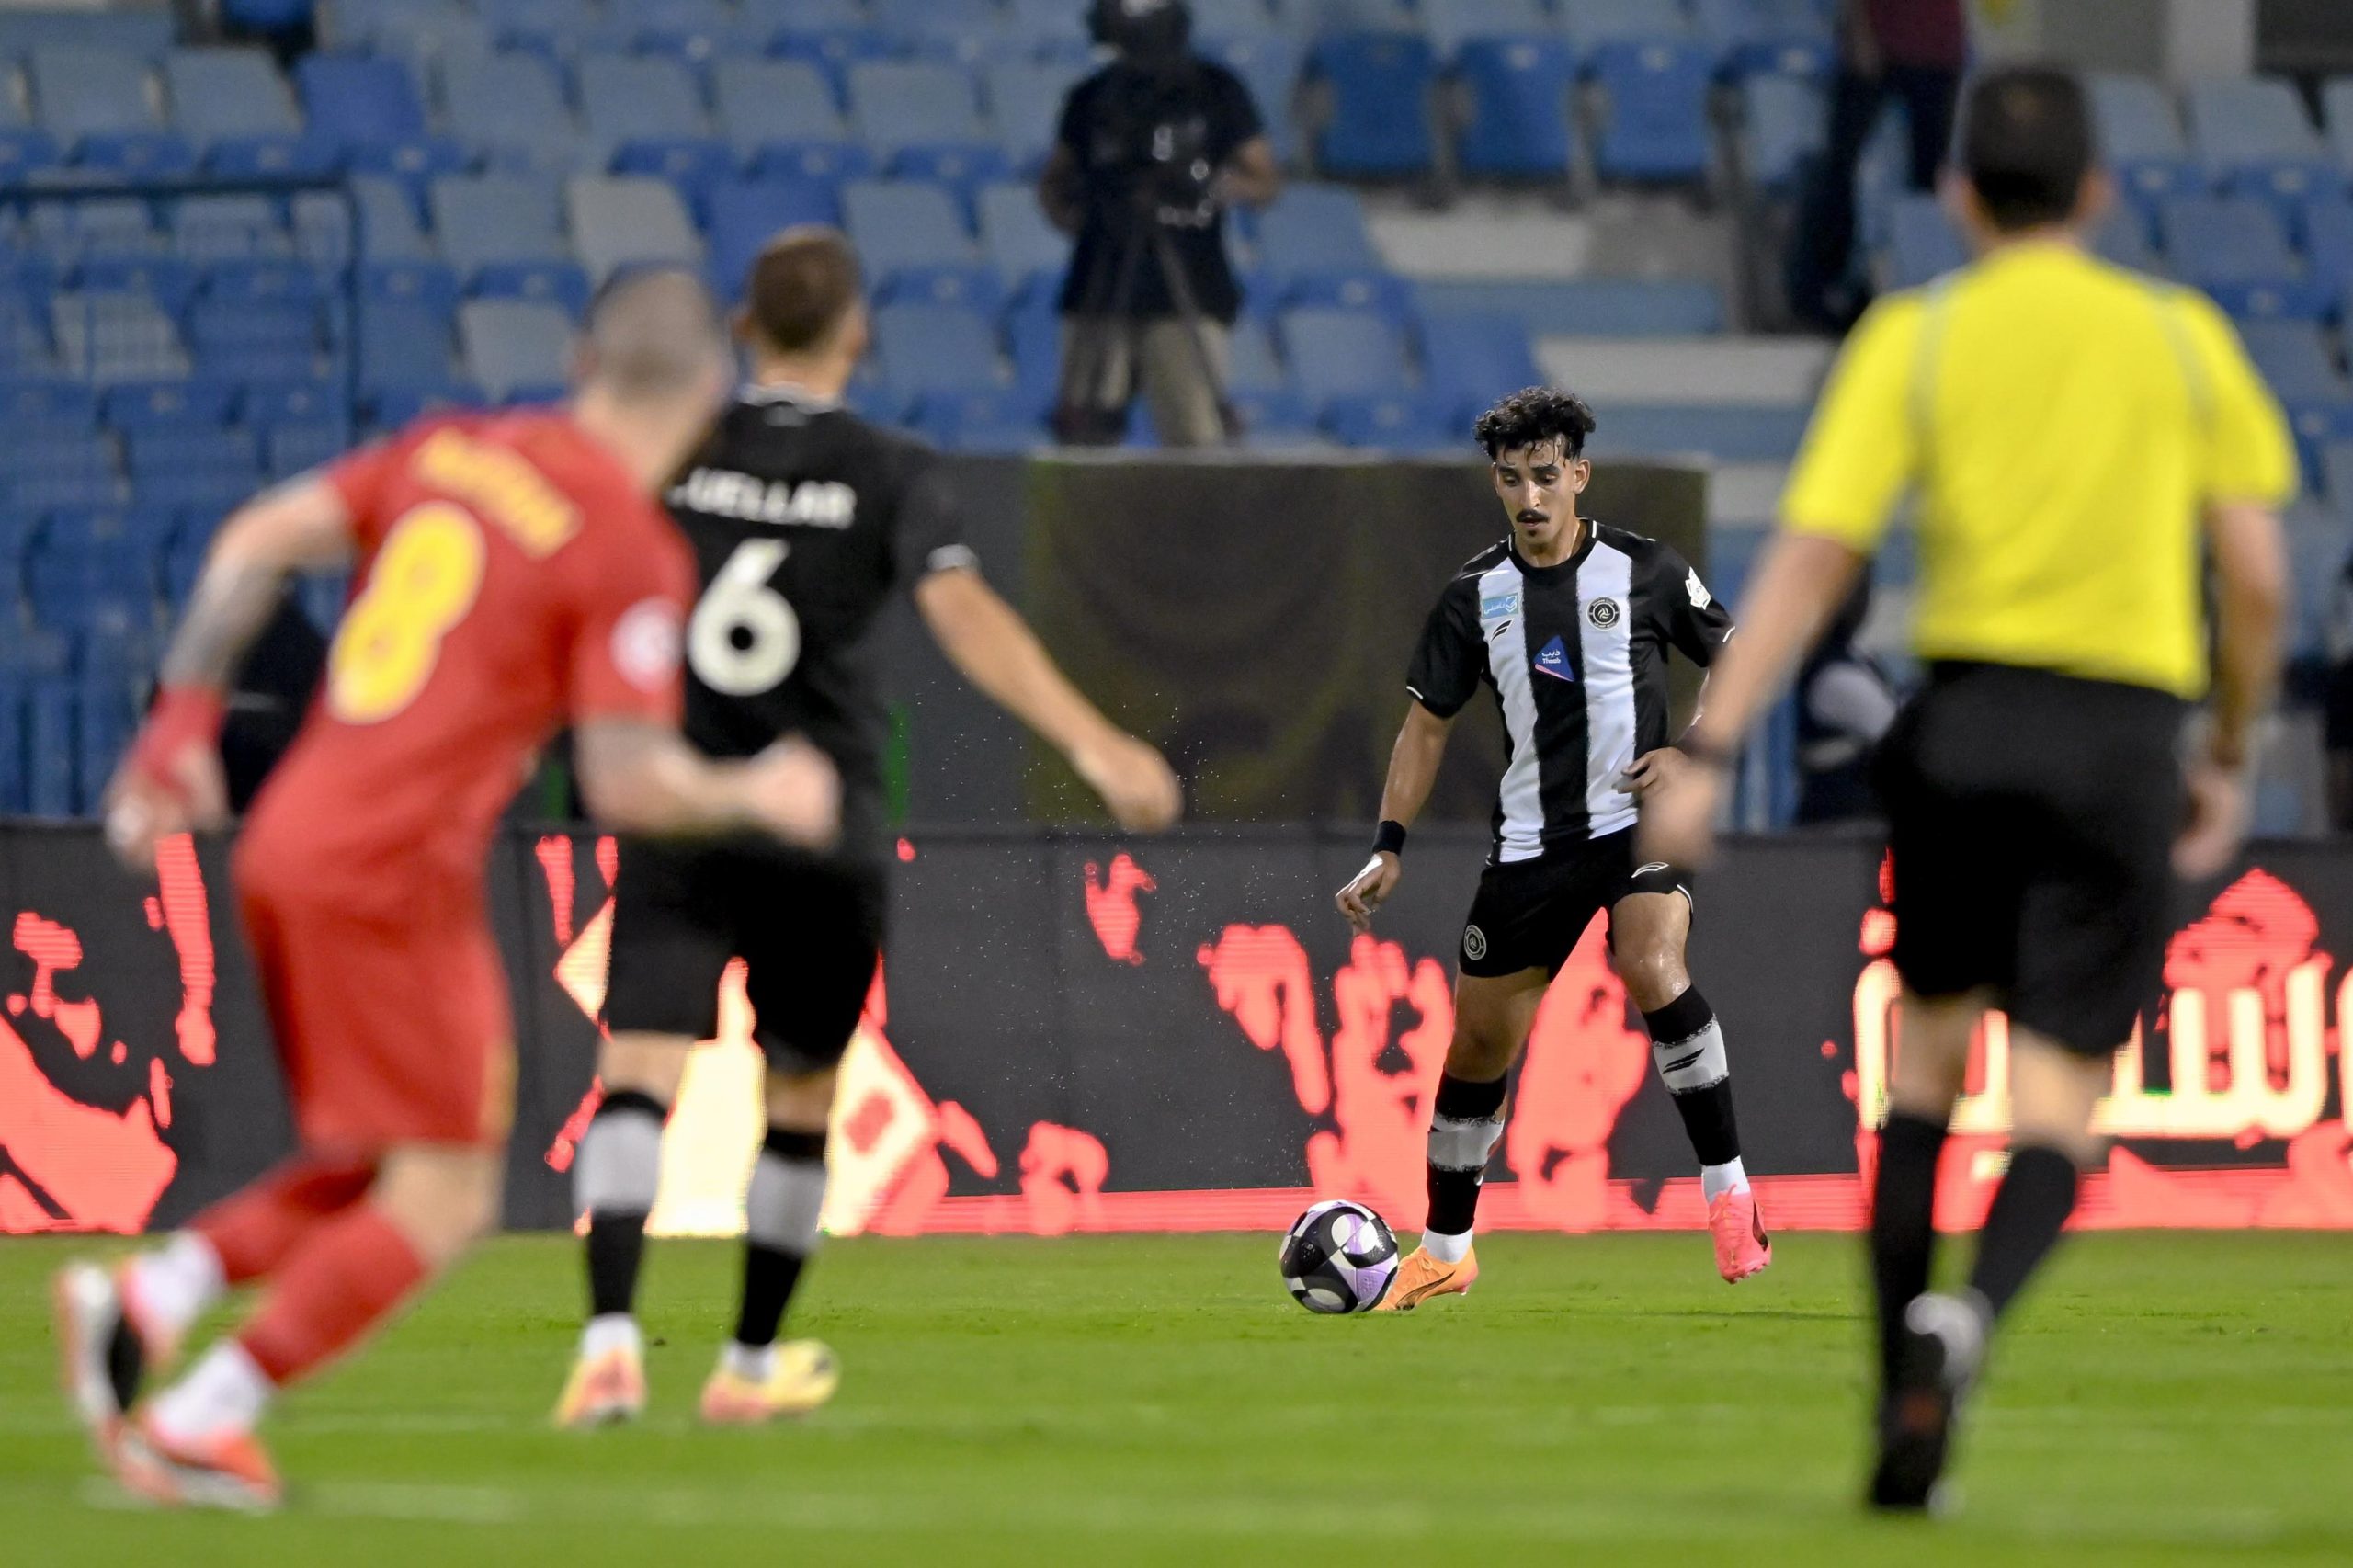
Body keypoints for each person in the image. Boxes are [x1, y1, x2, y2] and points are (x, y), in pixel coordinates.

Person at [52, 268, 846, 1512]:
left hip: (291, 836)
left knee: (380, 1156)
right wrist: (764, 792)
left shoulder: (455, 450)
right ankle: (208, 1415)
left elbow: (253, 537)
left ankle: (153, 1295)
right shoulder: (624, 545)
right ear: (710, 396)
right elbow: (626, 781)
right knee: (449, 1186)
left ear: (583, 359)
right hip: (389, 872)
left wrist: (182, 722)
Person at [1640, 67, 2294, 1512]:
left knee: (1922, 1084)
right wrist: (2230, 751)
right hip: (2124, 736)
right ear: (2100, 191)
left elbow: (1814, 554)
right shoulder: (2181, 344)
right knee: (2060, 1105)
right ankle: (1977, 1311)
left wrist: (1706, 743)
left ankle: (1898, 1414)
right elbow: (2254, 575)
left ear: (1955, 196)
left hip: (1966, 724)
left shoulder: (1915, 339)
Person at [555, 227, 1185, 1429]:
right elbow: (963, 613)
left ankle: (610, 1342)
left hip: (682, 800)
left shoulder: (680, 444)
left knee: (636, 1071)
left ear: (744, 330)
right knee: (800, 1098)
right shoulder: (892, 468)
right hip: (819, 819)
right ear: (857, 333)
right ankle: (745, 1366)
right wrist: (1100, 746)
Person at [1331, 387, 1773, 1312]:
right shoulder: (1473, 595)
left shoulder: (1644, 569)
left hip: (1635, 825)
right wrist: (1387, 844)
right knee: (1478, 1047)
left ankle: (1727, 1189)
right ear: (1495, 483)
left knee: (1648, 955)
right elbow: (1424, 728)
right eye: (1510, 480)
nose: (1529, 497)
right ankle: (1446, 1248)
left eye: (1544, 476)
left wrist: (1691, 750)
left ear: (1577, 473)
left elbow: (1738, 653)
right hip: (1532, 845)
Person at [1039, 0, 1279, 447]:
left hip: (1189, 281)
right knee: (1085, 432)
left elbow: (1263, 179)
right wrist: (1080, 217)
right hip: (1101, 278)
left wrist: (1208, 186)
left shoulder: (1215, 90)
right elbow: (1055, 182)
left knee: (1193, 432)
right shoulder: (1092, 97)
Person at [1789, 0, 1969, 331]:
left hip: (1937, 51)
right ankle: (1816, 294)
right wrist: (1861, 37)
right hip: (1879, 46)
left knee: (1927, 183)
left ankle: (1919, 287)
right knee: (1839, 173)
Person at [1794, 578, 1901, 825]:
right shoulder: (1832, 672)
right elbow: (1892, 728)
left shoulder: (1856, 657)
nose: (1858, 599)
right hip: (1837, 831)